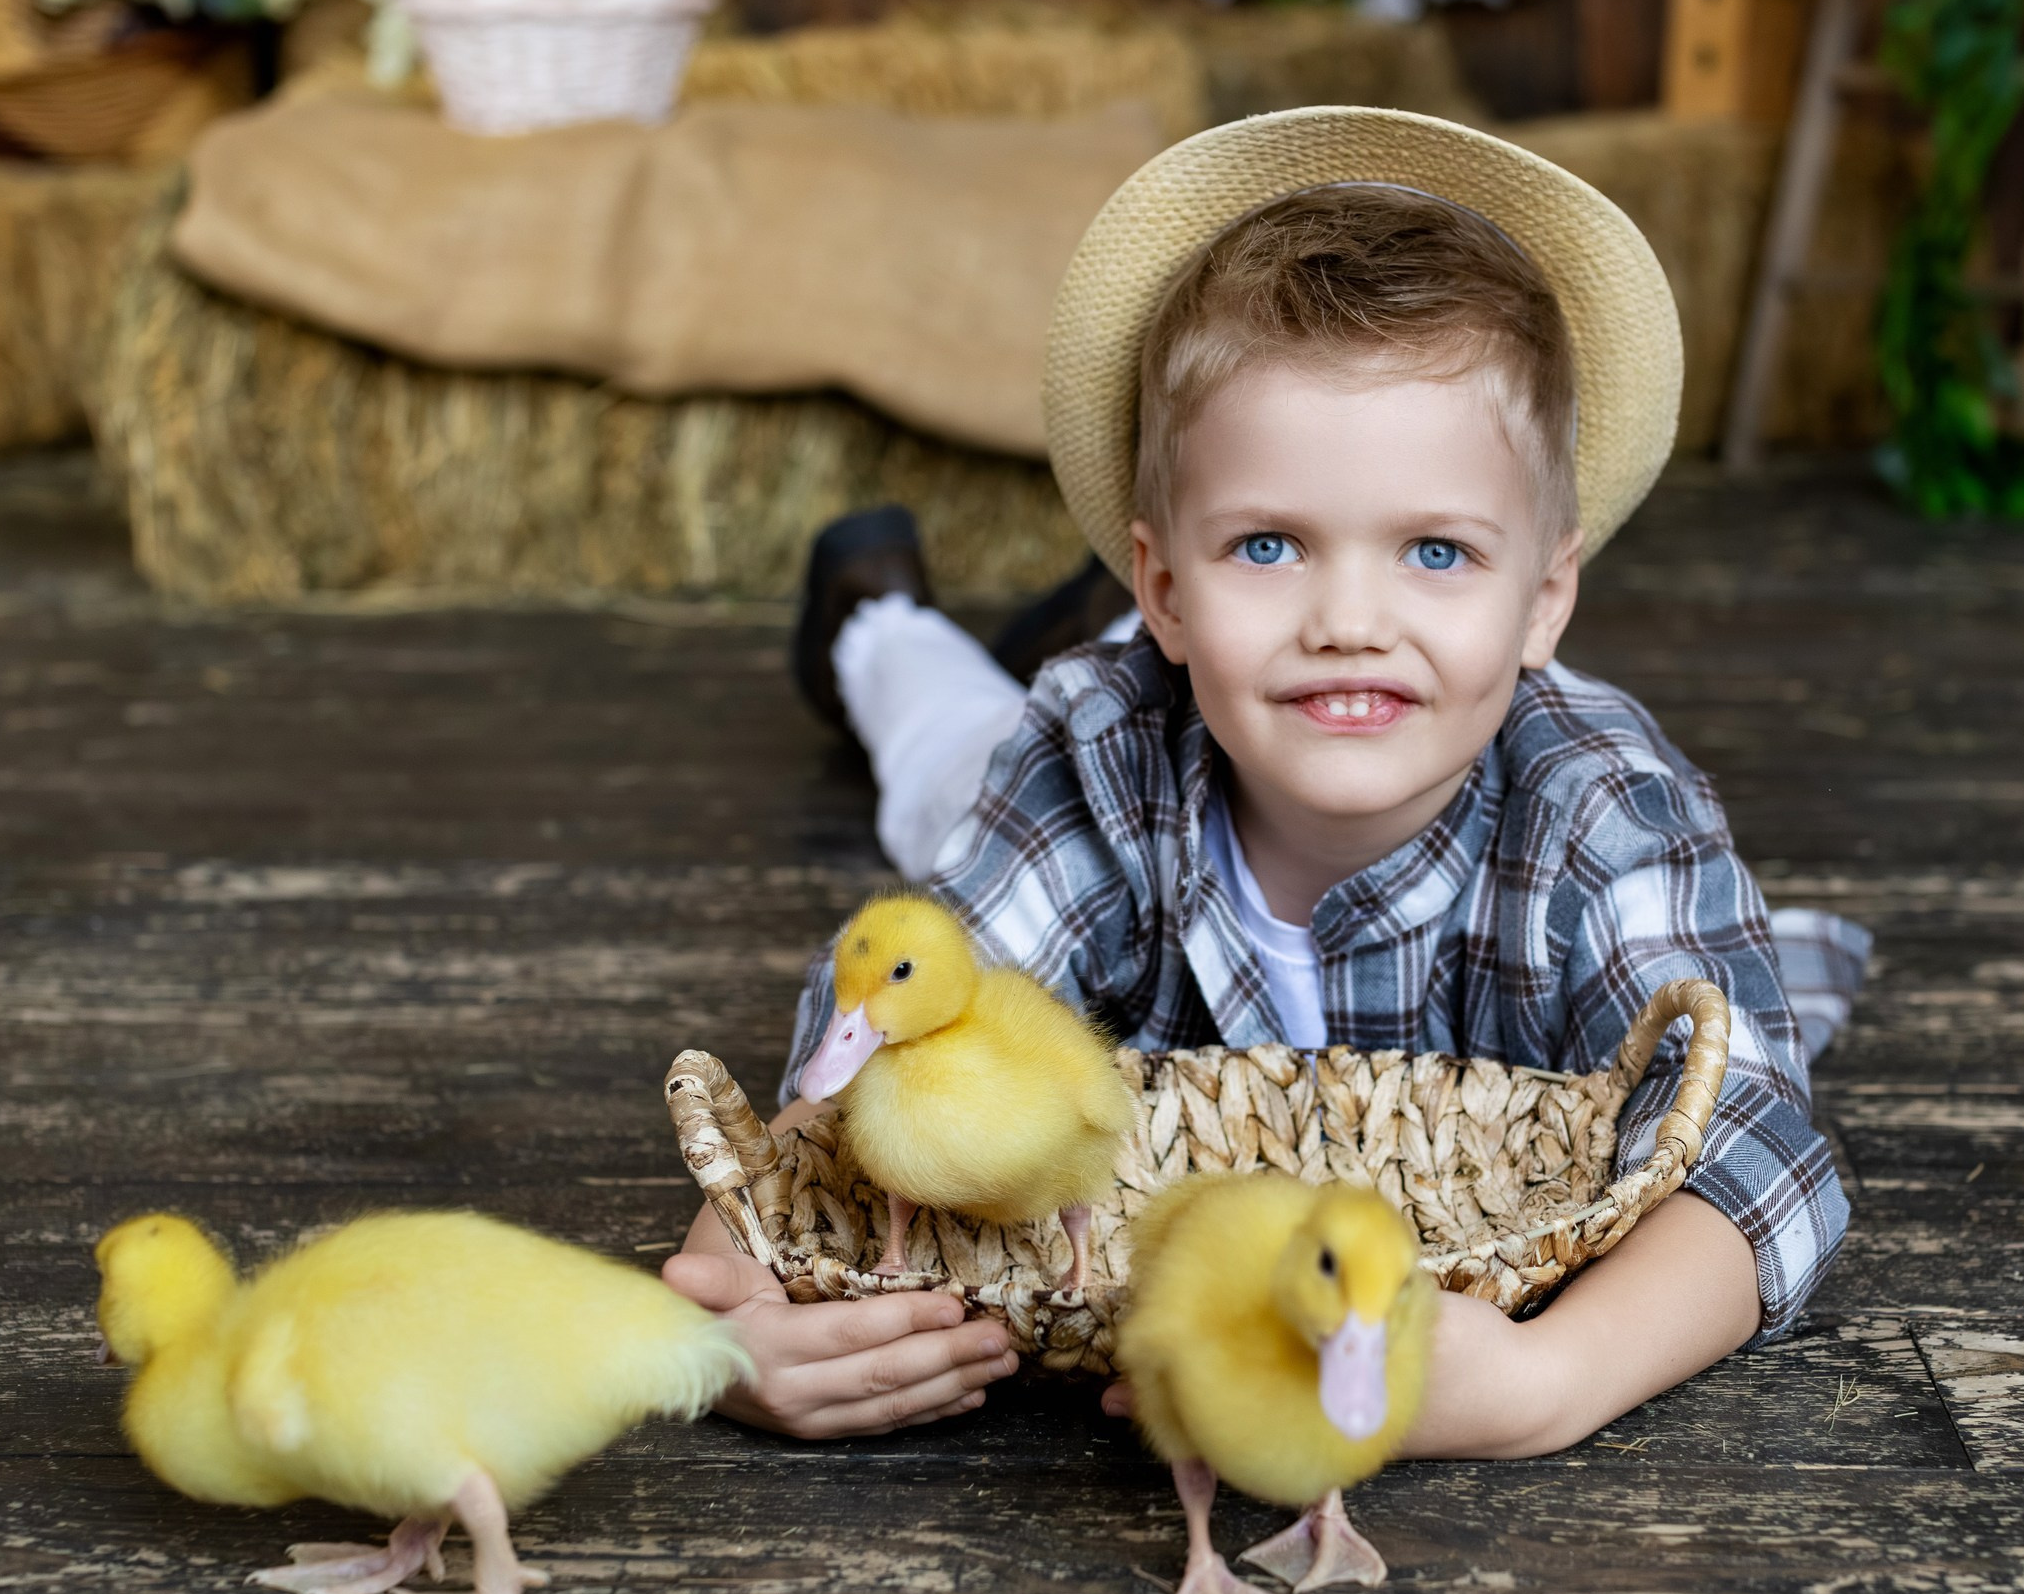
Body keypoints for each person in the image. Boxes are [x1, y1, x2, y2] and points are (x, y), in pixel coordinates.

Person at [664, 109, 1869, 1450]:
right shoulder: (1098, 755)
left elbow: (1767, 1156)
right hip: (1122, 719)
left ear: (1547, 598)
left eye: (1435, 554)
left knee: (963, 752)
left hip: (1228, 691)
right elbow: (863, 1068)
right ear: (1166, 590)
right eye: (1271, 546)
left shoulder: (1603, 806)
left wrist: (1547, 1386)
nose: (1349, 619)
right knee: (945, 761)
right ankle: (875, 627)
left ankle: (954, 630)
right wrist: (732, 1319)